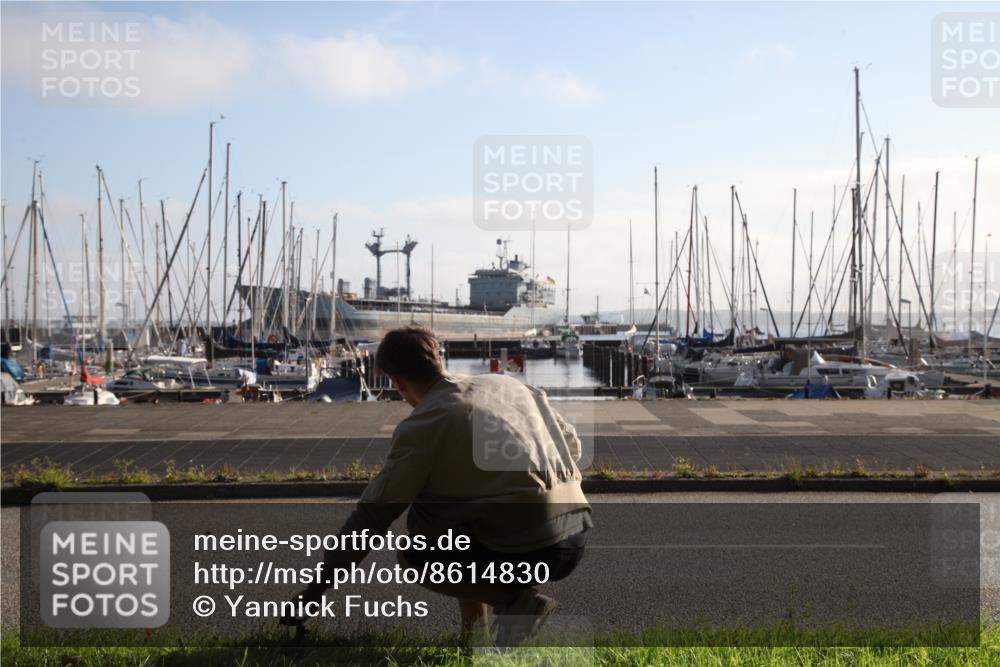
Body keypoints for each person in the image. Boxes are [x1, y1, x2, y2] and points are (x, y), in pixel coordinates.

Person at [290, 326, 591, 646]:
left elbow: (370, 519)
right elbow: (573, 447)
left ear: (397, 382)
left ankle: (518, 604)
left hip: (529, 546)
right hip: (577, 533)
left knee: (417, 551)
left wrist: (314, 593)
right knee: (455, 521)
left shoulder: (424, 423)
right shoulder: (508, 384)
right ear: (439, 358)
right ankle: (474, 638)